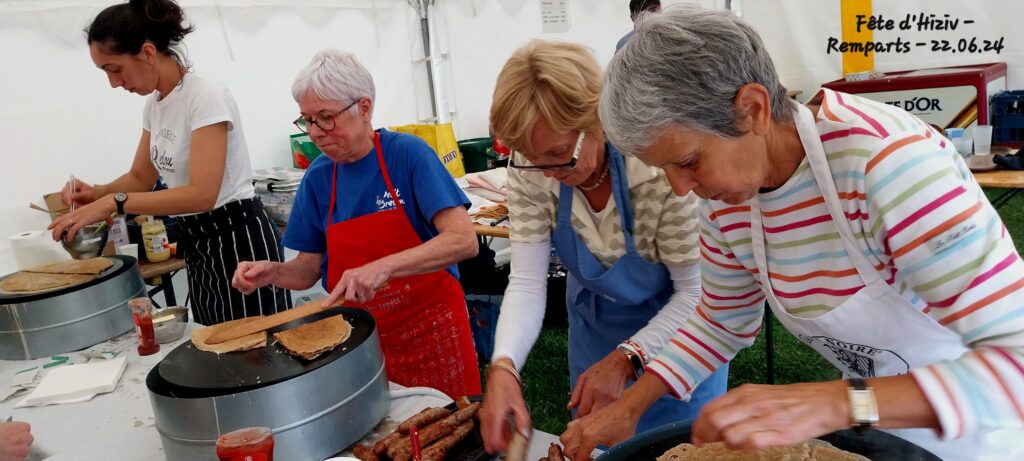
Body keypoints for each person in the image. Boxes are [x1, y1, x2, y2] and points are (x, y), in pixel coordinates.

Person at [561, 6, 1024, 461]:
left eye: (687, 162)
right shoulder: (729, 201)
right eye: (665, 169)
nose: (681, 189)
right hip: (878, 428)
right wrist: (631, 406)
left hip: (984, 431)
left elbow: (1016, 364)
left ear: (753, 109)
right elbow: (721, 319)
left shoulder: (889, 166)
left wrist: (837, 402)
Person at [479, 40, 728, 454]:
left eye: (560, 155)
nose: (548, 173)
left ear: (596, 120)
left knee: (682, 449)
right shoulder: (533, 167)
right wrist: (504, 364)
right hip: (595, 330)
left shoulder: (656, 166)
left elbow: (698, 293)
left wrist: (627, 359)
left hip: (680, 334)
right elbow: (525, 281)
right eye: (532, 159)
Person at [231, 49, 481, 399]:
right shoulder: (318, 178)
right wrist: (271, 273)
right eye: (307, 119)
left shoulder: (409, 155)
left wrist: (384, 268)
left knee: (449, 434)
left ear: (364, 108)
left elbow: (463, 240)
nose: (315, 132)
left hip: (431, 330)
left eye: (326, 118)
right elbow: (307, 270)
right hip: (359, 338)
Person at [48, 0, 291, 325]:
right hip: (200, 241)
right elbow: (139, 177)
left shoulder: (205, 96)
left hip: (238, 238)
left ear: (147, 52)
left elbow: (203, 193)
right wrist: (96, 193)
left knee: (256, 355)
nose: (114, 83)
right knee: (212, 347)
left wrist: (113, 202)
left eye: (114, 69)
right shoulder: (156, 105)